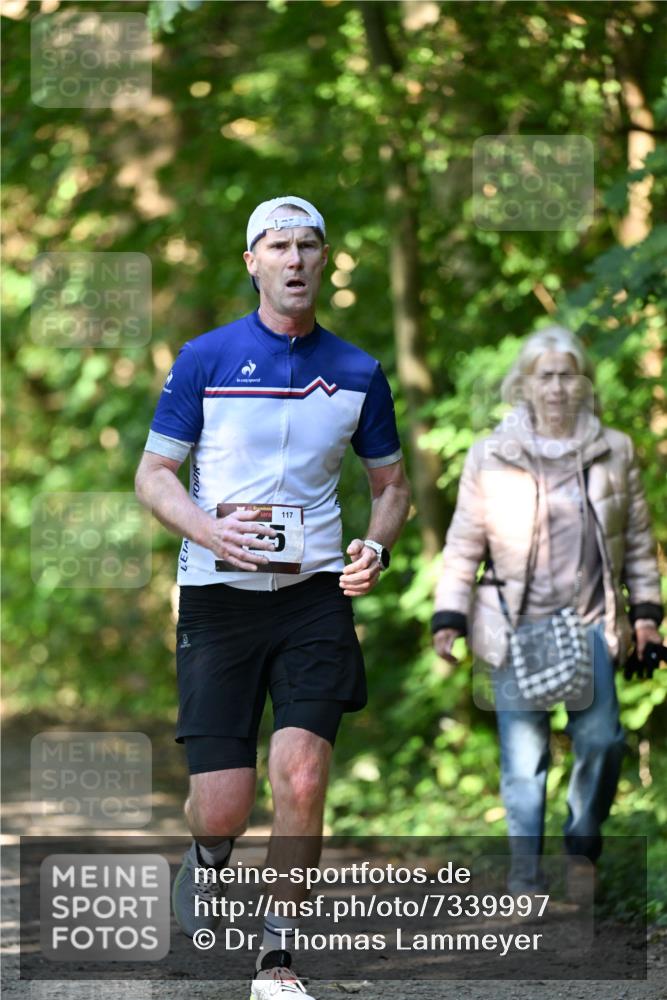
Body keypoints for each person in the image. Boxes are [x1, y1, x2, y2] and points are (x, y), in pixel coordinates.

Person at [135, 196, 410, 999]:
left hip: (312, 598)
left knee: (301, 776)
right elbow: (153, 475)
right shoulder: (206, 358)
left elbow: (390, 486)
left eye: (308, 246)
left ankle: (277, 959)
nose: (295, 259)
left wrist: (375, 547)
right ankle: (209, 852)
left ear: (325, 261)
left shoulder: (358, 371)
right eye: (279, 246)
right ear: (252, 262)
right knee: (223, 804)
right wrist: (209, 531)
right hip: (217, 597)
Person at [432, 326, 662, 898]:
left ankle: (581, 843)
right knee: (523, 758)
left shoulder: (615, 450)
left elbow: (638, 543)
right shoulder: (491, 454)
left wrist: (646, 617)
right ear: (525, 384)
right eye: (545, 376)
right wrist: (449, 616)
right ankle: (525, 878)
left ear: (583, 383)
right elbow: (463, 544)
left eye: (567, 375)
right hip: (515, 625)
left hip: (590, 623)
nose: (557, 387)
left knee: (603, 740)